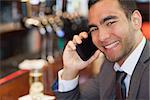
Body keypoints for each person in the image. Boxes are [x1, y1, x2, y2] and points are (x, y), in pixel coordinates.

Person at [52, 0, 150, 100]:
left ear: (135, 20)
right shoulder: (109, 67)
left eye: (110, 23)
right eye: (94, 29)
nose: (102, 37)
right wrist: (70, 70)